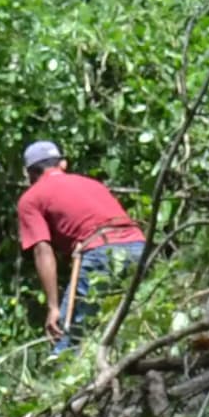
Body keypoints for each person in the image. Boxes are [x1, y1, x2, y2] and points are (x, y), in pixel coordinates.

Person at [15, 140, 147, 348]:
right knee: (137, 319)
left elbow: (42, 250)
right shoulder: (93, 183)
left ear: (29, 173)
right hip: (140, 247)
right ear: (63, 164)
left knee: (69, 340)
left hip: (100, 252)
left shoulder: (31, 199)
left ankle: (61, 376)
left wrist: (53, 307)